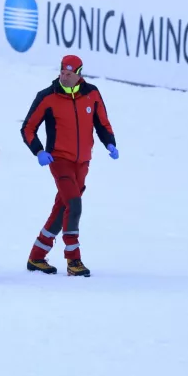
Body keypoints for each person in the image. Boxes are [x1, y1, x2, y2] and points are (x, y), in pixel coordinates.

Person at [21, 55, 117, 277]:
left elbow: (102, 123)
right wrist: (39, 150)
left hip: (83, 161)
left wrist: (110, 143)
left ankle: (37, 256)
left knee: (62, 207)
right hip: (59, 160)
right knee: (74, 204)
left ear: (79, 74)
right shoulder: (47, 97)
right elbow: (27, 128)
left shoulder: (92, 94)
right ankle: (74, 260)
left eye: (69, 74)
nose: (64, 77)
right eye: (62, 72)